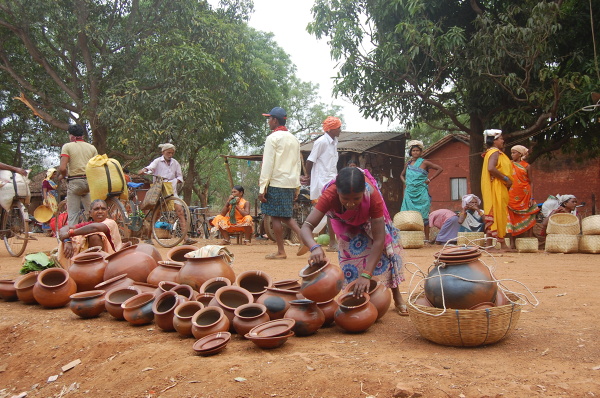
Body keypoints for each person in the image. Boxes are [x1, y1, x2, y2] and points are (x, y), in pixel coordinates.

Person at [299, 167, 408, 316]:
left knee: (386, 252)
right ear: (338, 192)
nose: (351, 203)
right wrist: (314, 247)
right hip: (343, 222)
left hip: (369, 219)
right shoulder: (329, 195)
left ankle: (396, 295)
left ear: (363, 192)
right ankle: (354, 299)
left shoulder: (372, 196)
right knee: (349, 259)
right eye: (345, 199)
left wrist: (366, 275)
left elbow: (379, 240)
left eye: (356, 198)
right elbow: (307, 226)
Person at [258, 107, 303, 259]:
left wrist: (262, 187)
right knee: (286, 216)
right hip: (290, 182)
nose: (268, 121)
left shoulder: (272, 138)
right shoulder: (294, 139)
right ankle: (306, 240)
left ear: (275, 120)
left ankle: (281, 251)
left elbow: (268, 164)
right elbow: (297, 163)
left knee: (276, 217)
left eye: (269, 118)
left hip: (276, 182)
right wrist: (297, 186)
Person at [138, 143, 196, 245]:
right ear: (163, 152)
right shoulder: (158, 161)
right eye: (168, 152)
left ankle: (185, 238)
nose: (170, 154)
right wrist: (144, 170)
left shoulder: (175, 163)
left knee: (180, 211)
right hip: (159, 191)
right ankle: (148, 237)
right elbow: (150, 167)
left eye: (172, 153)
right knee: (156, 214)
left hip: (171, 191)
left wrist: (173, 182)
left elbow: (180, 177)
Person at [300, 116, 342, 252]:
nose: (340, 130)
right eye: (338, 128)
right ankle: (309, 239)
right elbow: (310, 161)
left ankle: (329, 242)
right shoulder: (321, 142)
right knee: (324, 210)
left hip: (331, 180)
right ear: (330, 129)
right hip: (321, 182)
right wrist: (309, 176)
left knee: (330, 211)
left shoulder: (334, 141)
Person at [57, 199, 123, 268]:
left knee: (94, 236)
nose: (100, 211)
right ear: (90, 213)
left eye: (103, 209)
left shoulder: (110, 222)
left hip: (112, 260)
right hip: (91, 264)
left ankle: (98, 267)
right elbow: (64, 229)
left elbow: (94, 228)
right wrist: (67, 241)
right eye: (96, 209)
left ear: (107, 211)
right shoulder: (88, 225)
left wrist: (69, 234)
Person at [400, 140, 443, 240]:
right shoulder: (408, 164)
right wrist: (406, 182)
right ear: (410, 152)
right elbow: (402, 175)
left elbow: (440, 168)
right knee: (408, 216)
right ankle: (408, 239)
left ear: (421, 152)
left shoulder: (425, 162)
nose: (415, 152)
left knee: (424, 215)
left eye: (417, 150)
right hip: (409, 193)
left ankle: (426, 238)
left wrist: (429, 179)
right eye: (413, 150)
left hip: (421, 192)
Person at [58, 124, 98, 227]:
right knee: (93, 211)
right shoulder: (92, 148)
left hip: (75, 182)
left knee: (73, 214)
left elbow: (62, 168)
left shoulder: (67, 146)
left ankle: (73, 236)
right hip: (90, 183)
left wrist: (64, 175)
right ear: (82, 136)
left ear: (71, 136)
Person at [481, 129, 513, 250]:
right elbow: (491, 168)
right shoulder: (494, 152)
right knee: (498, 213)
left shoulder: (490, 152)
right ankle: (503, 243)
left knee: (494, 213)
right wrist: (506, 178)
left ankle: (489, 245)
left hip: (496, 186)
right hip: (497, 186)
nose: (503, 140)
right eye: (501, 138)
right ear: (494, 141)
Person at [507, 145, 539, 248]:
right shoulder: (509, 164)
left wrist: (531, 197)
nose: (512, 155)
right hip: (511, 195)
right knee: (511, 218)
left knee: (529, 215)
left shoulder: (527, 166)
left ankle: (529, 242)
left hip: (525, 195)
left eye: (514, 152)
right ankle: (512, 243)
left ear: (520, 154)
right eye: (511, 153)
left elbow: (531, 182)